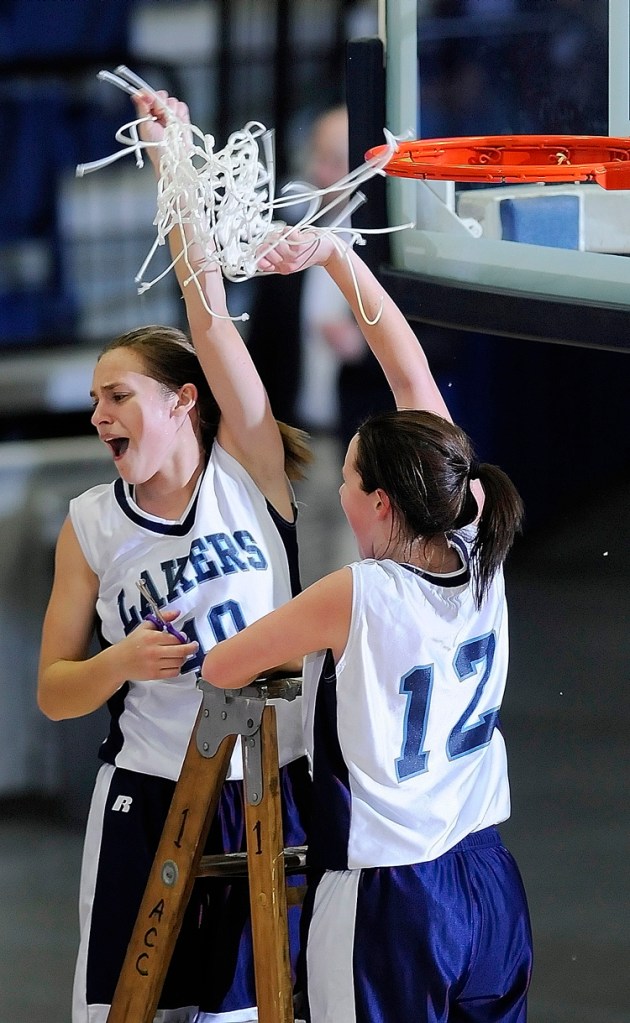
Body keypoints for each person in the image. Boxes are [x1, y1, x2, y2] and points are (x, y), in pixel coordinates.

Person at [201, 230, 533, 1022]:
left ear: (381, 503)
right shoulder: (477, 531)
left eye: (347, 475)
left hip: (391, 893)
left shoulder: (356, 592)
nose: (339, 489)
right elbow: (412, 376)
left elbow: (223, 666)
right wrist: (337, 257)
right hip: (488, 879)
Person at [37, 91, 311, 1023]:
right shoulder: (90, 523)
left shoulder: (250, 466)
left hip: (262, 790)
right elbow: (54, 690)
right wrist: (116, 663)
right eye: (94, 401)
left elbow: (210, 317)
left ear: (184, 402)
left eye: (117, 395)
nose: (99, 414)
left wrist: (171, 166)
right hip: (146, 795)